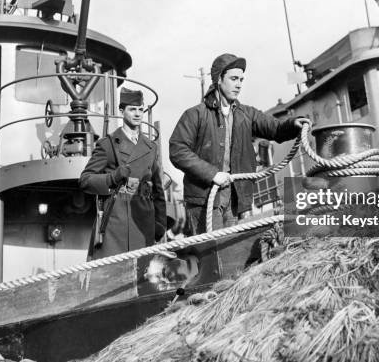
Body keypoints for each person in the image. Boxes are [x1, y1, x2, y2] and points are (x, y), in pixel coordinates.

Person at [169, 53, 309, 235]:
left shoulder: (246, 114)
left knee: (231, 252)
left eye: (241, 79)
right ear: (219, 79)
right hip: (204, 198)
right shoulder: (195, 115)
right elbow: (177, 150)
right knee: (212, 254)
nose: (239, 84)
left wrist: (293, 124)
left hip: (234, 195)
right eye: (234, 79)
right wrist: (212, 174)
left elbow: (275, 128)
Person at [80, 88, 166, 260]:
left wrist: (160, 224)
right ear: (121, 111)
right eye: (132, 109)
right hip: (115, 223)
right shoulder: (108, 144)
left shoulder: (151, 147)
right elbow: (85, 180)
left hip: (143, 223)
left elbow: (158, 190)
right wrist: (112, 178)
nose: (138, 114)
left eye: (141, 109)